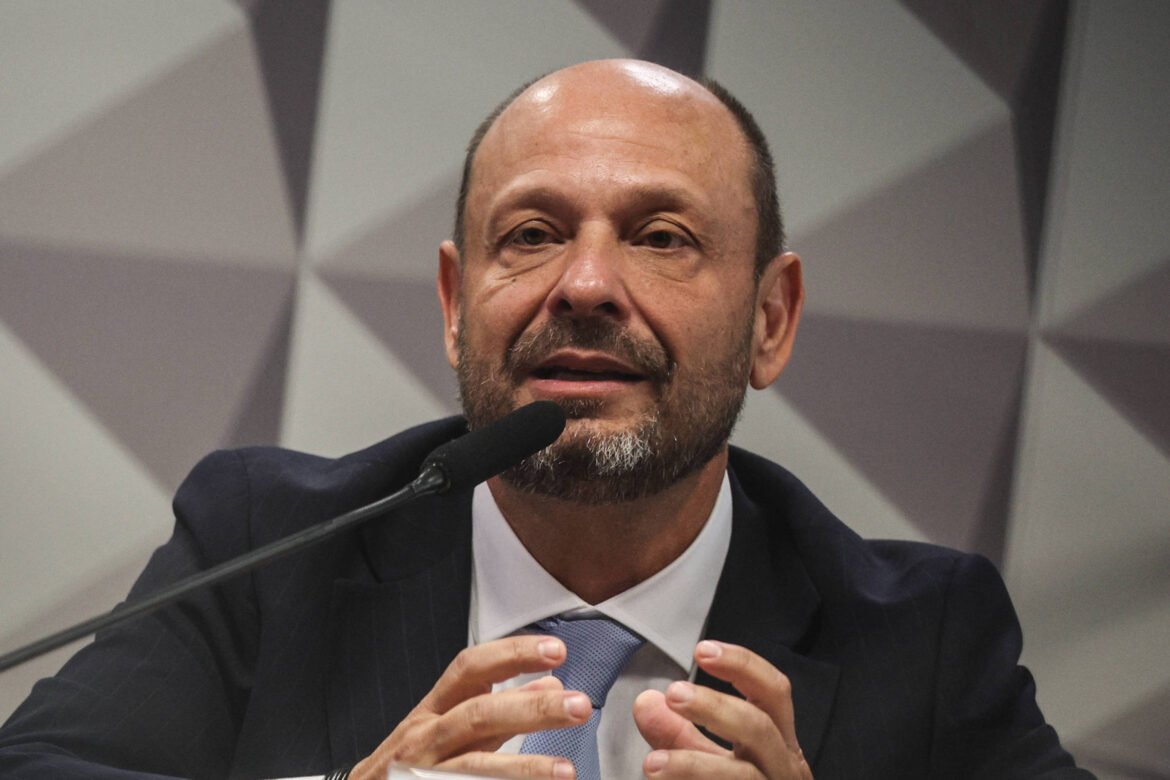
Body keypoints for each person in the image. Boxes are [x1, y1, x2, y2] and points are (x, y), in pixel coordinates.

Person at [0, 60, 1091, 780]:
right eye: (531, 234)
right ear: (453, 305)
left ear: (771, 318)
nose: (586, 286)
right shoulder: (266, 544)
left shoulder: (921, 636)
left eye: (661, 237)